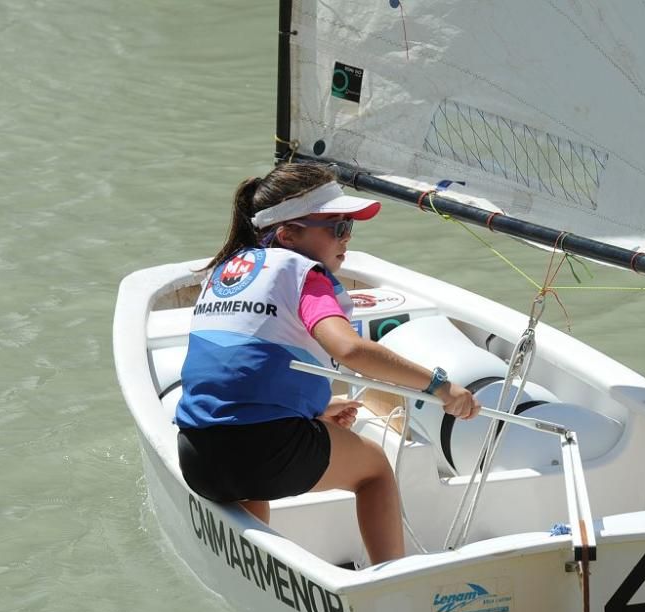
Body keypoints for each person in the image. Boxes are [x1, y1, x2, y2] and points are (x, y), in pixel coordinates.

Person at [175, 162, 480, 564]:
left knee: (252, 487)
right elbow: (350, 350)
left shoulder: (225, 272)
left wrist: (317, 411)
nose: (347, 238)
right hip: (262, 450)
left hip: (198, 455)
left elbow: (238, 373)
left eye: (349, 227)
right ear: (287, 235)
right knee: (374, 470)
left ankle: (258, 570)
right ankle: (392, 576)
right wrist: (442, 387)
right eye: (336, 227)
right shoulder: (304, 275)